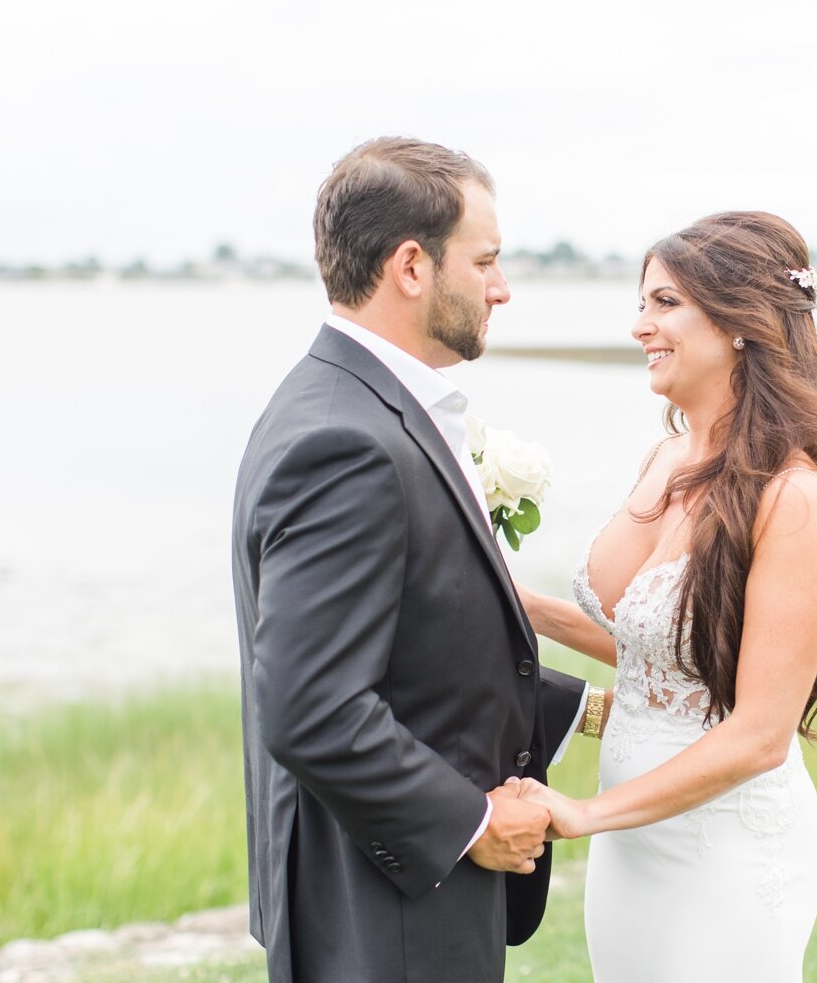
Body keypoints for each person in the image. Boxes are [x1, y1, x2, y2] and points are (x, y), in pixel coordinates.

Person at [230, 137, 599, 983]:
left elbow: (409, 648)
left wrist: (579, 709)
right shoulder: (343, 441)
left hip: (387, 900)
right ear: (410, 266)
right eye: (487, 261)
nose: (502, 288)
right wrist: (473, 822)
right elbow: (311, 707)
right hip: (380, 916)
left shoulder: (348, 402)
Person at [517, 212, 817, 982]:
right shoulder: (664, 455)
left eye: (664, 303)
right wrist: (523, 607)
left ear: (739, 321)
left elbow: (759, 734)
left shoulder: (792, 496)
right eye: (643, 304)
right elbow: (665, 650)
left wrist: (580, 816)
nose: (640, 326)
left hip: (725, 846)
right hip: (631, 844)